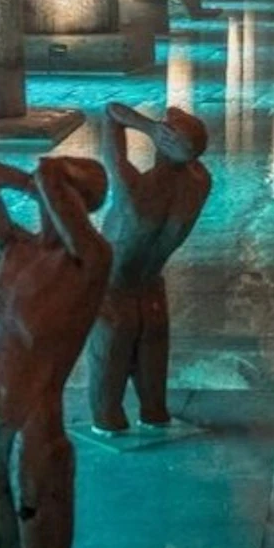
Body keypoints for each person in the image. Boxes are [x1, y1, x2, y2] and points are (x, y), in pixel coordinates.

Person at [0, 156, 111, 548]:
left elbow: (57, 193)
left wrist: (48, 179)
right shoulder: (15, 246)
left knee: (40, 509)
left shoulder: (90, 262)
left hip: (34, 412)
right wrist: (33, 183)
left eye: (61, 190)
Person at [87, 102, 211, 434]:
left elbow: (111, 113)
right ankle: (153, 414)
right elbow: (189, 146)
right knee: (153, 374)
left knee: (107, 373)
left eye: (167, 128)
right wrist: (175, 135)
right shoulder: (201, 183)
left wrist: (149, 127)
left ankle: (108, 421)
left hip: (113, 287)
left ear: (165, 141)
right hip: (151, 286)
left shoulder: (134, 191)